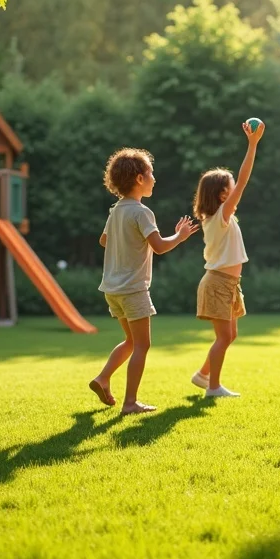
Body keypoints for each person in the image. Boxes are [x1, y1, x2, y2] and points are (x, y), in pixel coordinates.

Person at [89, 148, 197, 415]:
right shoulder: (142, 212)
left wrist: (124, 243)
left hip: (112, 289)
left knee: (130, 341)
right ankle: (130, 403)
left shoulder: (116, 211)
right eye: (151, 173)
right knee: (142, 345)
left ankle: (102, 379)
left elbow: (104, 240)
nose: (154, 178)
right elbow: (159, 246)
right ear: (139, 179)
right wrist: (180, 237)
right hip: (133, 289)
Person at [190, 121, 263, 399]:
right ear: (222, 194)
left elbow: (240, 183)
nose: (235, 191)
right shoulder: (220, 216)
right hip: (218, 282)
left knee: (229, 336)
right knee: (223, 338)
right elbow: (244, 180)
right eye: (230, 189)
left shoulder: (219, 217)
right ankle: (213, 388)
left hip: (229, 282)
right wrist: (252, 144)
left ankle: (203, 375)